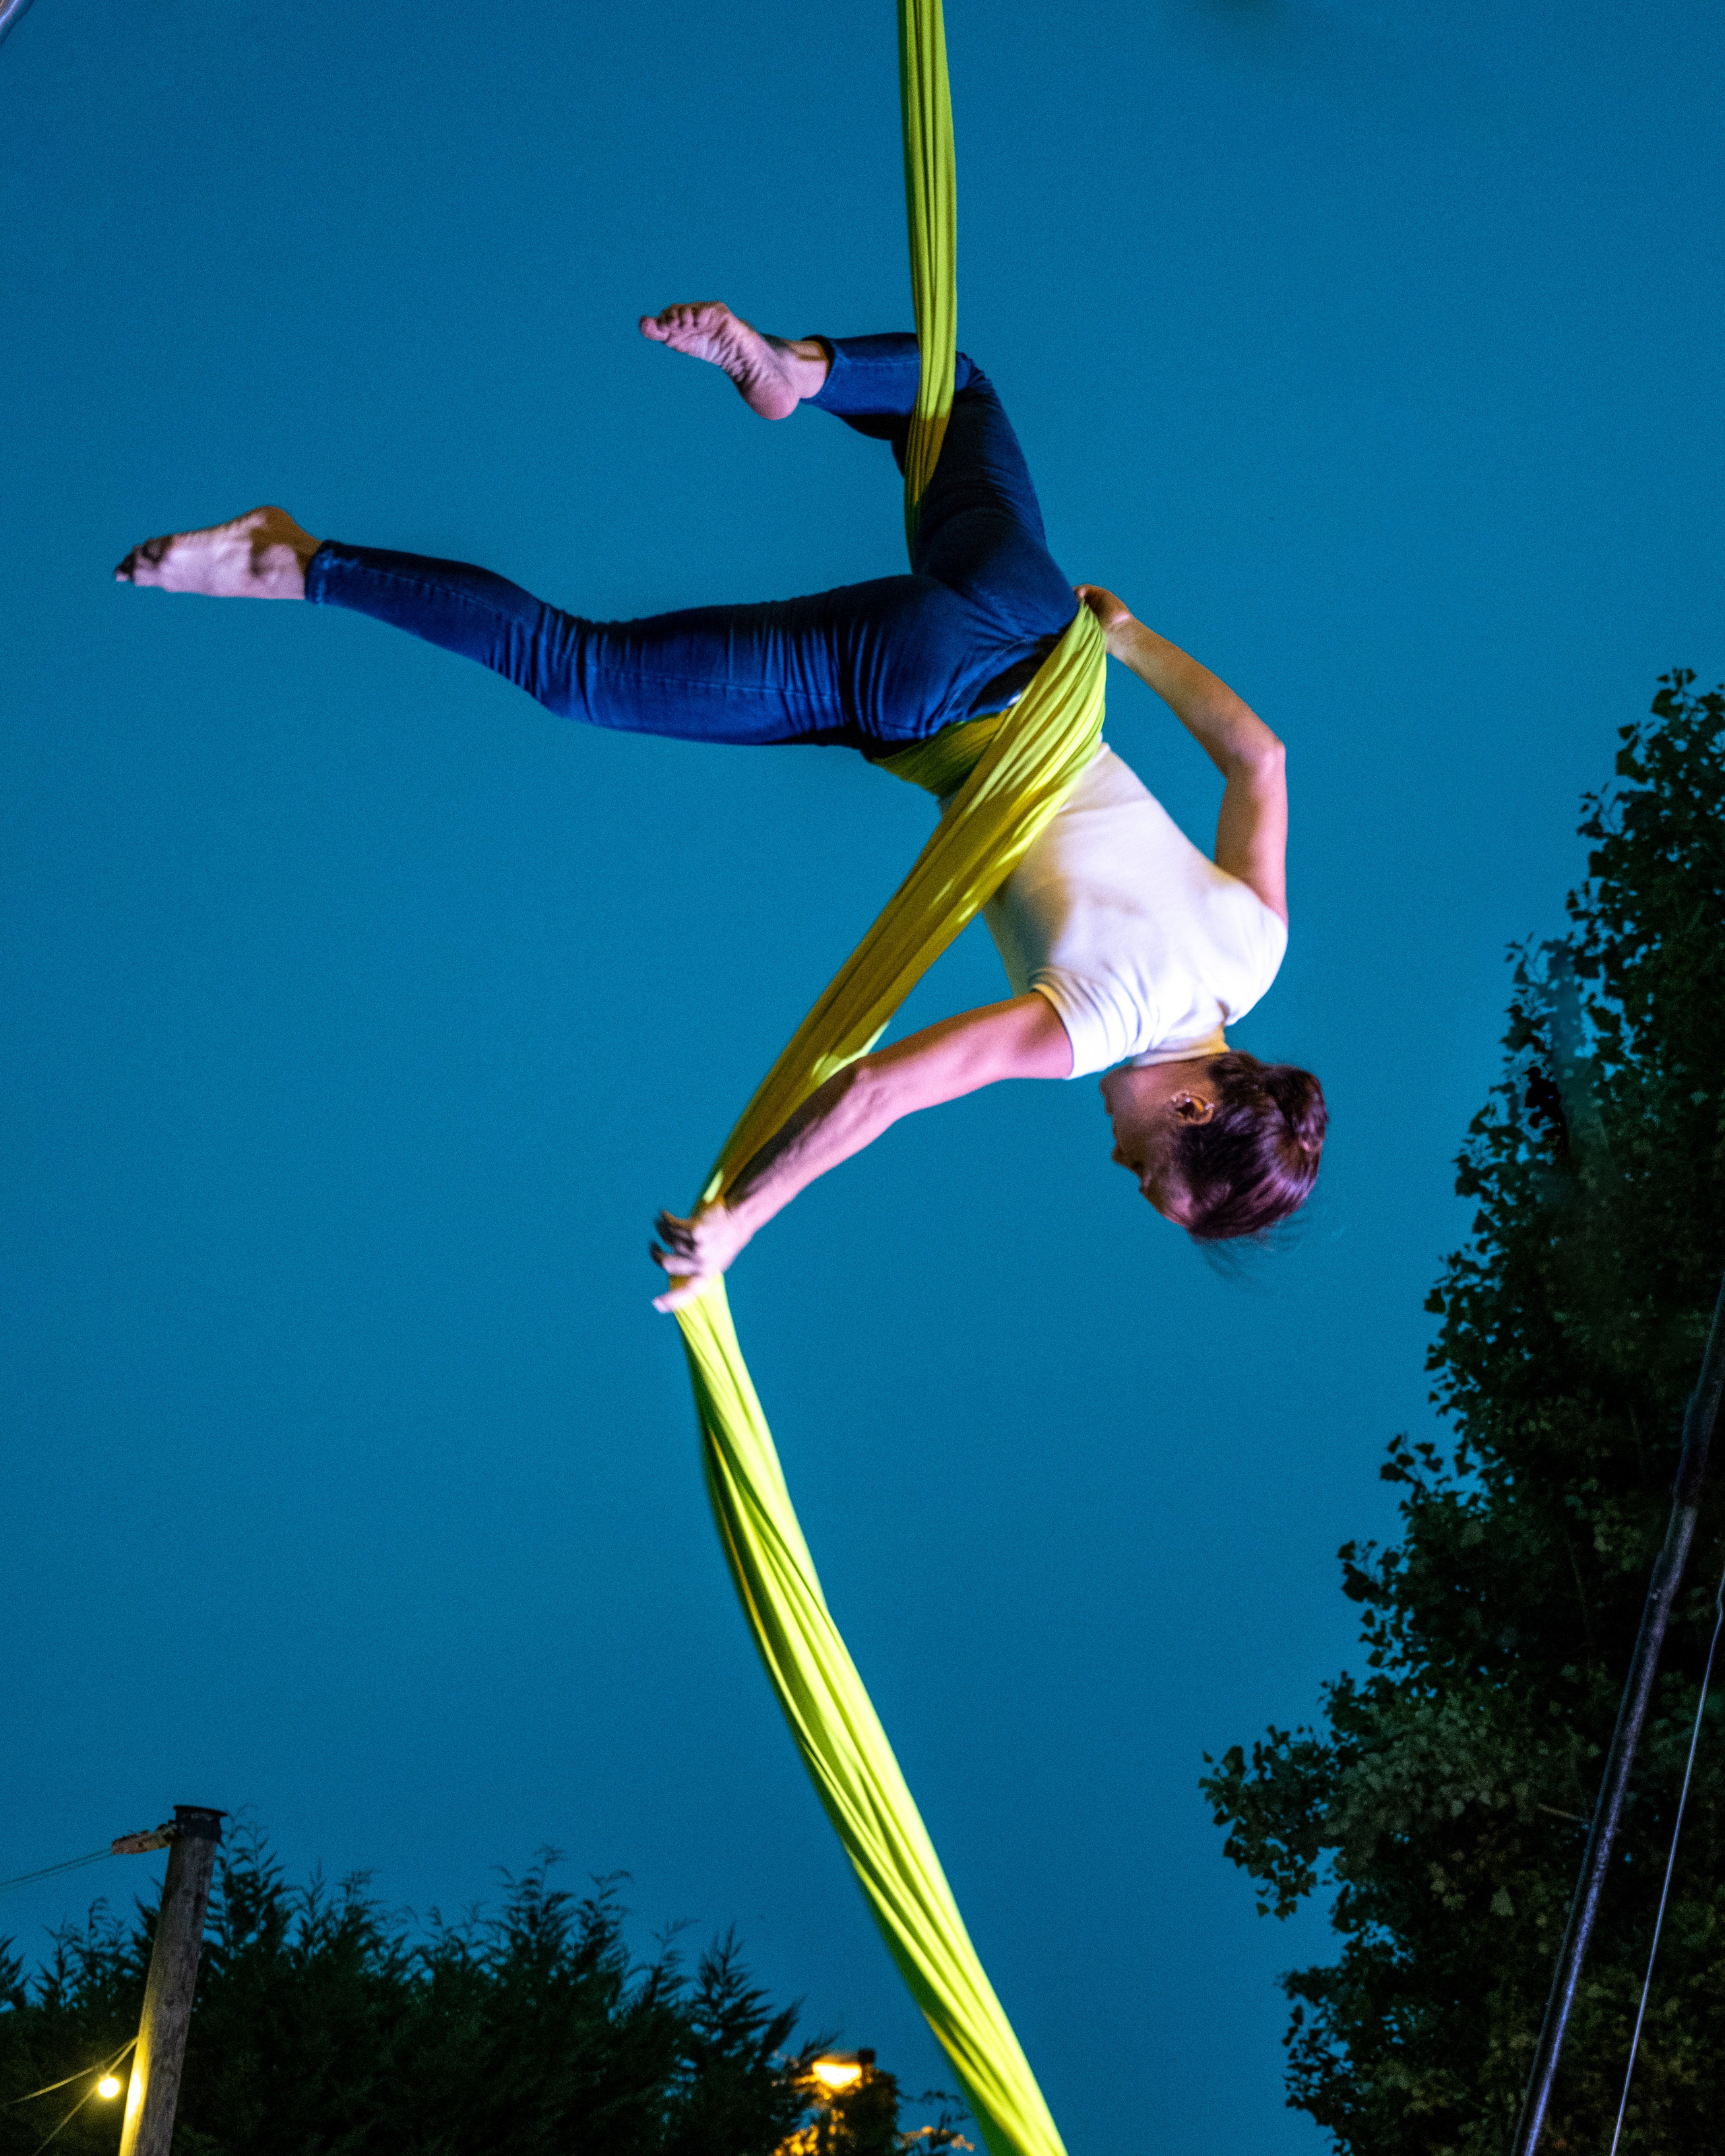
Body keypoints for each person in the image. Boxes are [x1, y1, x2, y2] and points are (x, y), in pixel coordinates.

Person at [115, 301, 1325, 1304]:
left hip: (1036, 624)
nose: (1117, 1159)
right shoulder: (1094, 1031)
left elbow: (1258, 760)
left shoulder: (1253, 951)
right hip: (923, 690)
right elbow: (877, 1088)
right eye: (1148, 1165)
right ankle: (298, 562)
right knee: (578, 671)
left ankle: (803, 375)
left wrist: (1129, 640)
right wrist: (742, 1221)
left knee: (951, 385)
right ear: (1196, 1102)